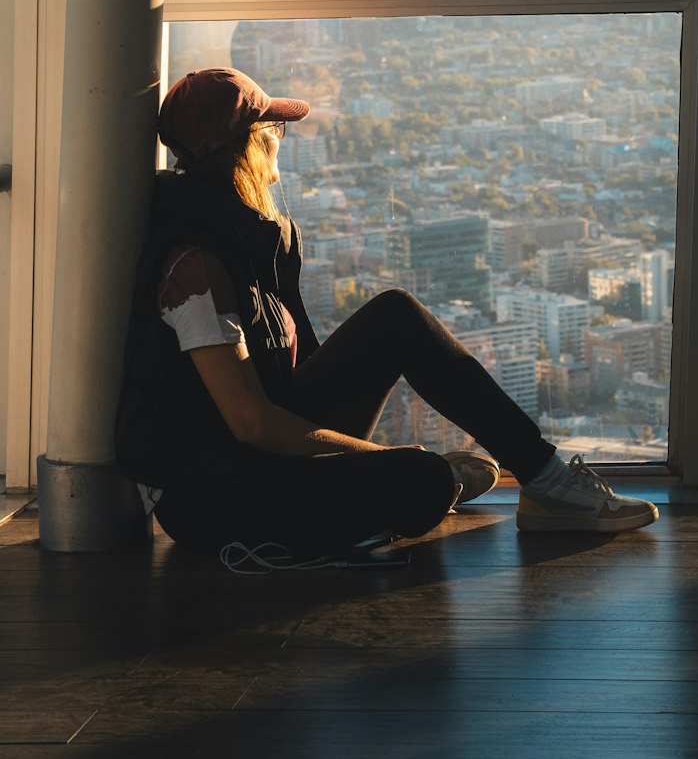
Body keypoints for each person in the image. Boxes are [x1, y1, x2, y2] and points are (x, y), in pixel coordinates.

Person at [115, 67, 658, 560]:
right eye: (272, 130)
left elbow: (301, 378)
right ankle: (432, 480)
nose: (280, 141)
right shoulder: (196, 267)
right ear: (247, 149)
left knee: (395, 315)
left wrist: (362, 451)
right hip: (219, 497)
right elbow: (251, 423)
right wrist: (377, 457)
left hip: (262, 458)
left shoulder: (250, 238)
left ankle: (545, 478)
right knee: (421, 480)